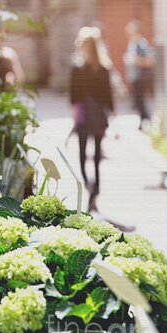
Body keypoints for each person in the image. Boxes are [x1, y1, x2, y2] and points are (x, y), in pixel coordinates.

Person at [69, 29, 114, 213]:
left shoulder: (77, 70)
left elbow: (73, 97)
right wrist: (112, 114)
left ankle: (87, 183)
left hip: (84, 116)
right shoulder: (103, 69)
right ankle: (96, 191)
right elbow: (108, 95)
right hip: (99, 117)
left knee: (82, 153)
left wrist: (75, 115)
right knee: (96, 157)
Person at [123, 20, 155, 129]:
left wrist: (136, 60)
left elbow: (150, 61)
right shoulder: (132, 43)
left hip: (141, 78)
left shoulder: (142, 44)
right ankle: (145, 120)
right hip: (134, 77)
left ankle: (147, 120)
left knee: (140, 101)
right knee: (137, 101)